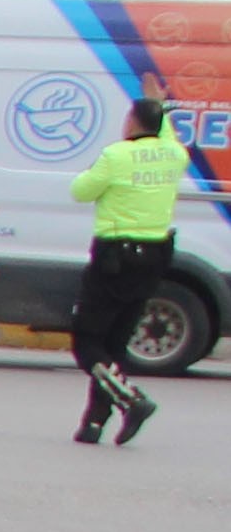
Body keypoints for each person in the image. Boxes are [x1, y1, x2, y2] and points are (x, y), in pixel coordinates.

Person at [64, 92, 182, 446]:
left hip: (116, 257)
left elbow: (81, 191)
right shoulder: (175, 155)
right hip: (154, 258)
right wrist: (164, 109)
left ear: (131, 122)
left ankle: (132, 400)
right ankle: (94, 424)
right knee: (115, 343)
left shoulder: (116, 155)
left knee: (87, 342)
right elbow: (168, 136)